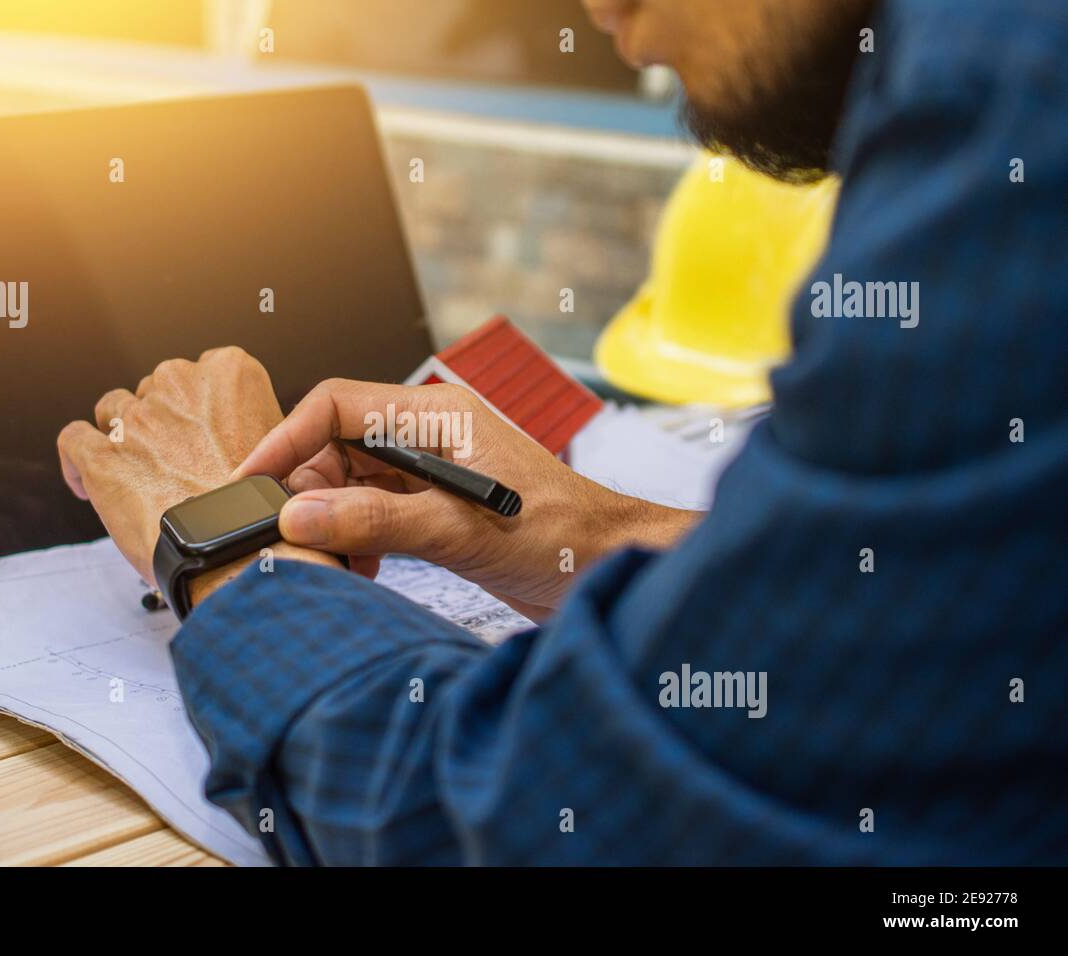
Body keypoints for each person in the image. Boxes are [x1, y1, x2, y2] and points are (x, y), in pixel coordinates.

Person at [56, 0, 1068, 864]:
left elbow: (534, 814)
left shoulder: (1006, 113)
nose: (594, 7)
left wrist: (229, 545)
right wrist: (592, 524)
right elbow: (903, 607)